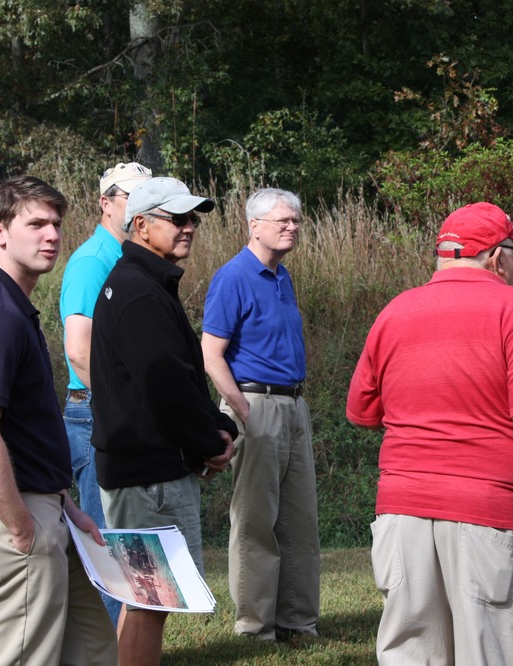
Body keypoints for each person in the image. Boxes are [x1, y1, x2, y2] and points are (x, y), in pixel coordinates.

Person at [346, 202, 513, 665]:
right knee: (499, 652)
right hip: (493, 515)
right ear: (498, 258)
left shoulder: (396, 310)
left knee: (412, 655)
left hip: (402, 514)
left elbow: (362, 410)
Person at [0, 175, 118, 665]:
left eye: (57, 223)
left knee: (92, 651)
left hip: (44, 505)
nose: (52, 235)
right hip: (9, 514)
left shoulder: (14, 308)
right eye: (36, 223)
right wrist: (21, 527)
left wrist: (64, 502)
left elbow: (22, 431)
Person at [90, 177, 238, 666]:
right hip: (148, 475)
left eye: (192, 219)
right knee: (152, 599)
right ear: (141, 224)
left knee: (148, 599)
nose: (189, 228)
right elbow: (166, 385)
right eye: (177, 219)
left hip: (143, 470)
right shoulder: (138, 291)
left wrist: (215, 429)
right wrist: (211, 439)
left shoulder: (142, 284)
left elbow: (172, 377)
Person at [201, 187, 320, 642]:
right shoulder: (232, 277)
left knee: (299, 522)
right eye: (282, 221)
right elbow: (212, 355)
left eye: (295, 221)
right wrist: (242, 410)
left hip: (293, 404)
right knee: (255, 522)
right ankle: (255, 627)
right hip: (256, 404)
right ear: (254, 226)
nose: (292, 227)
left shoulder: (282, 276)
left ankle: (298, 622)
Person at [60, 161, 152, 626]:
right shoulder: (92, 261)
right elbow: (79, 352)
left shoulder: (129, 259)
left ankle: (123, 647)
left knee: (128, 536)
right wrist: (127, 410)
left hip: (119, 412)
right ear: (105, 202)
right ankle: (107, 653)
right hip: (97, 413)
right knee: (107, 540)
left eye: (145, 198)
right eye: (128, 196)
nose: (137, 207)